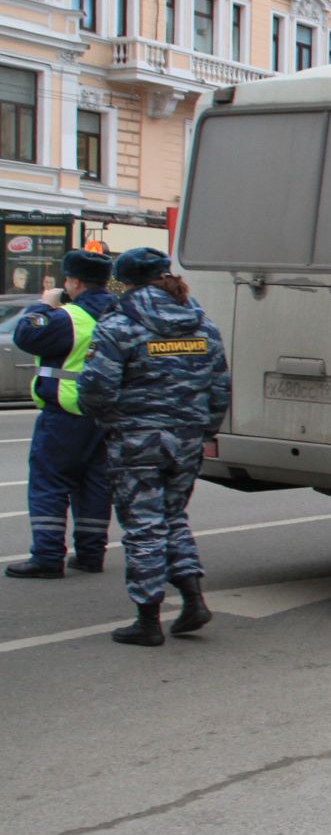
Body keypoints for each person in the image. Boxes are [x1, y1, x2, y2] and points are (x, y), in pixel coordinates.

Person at [78, 248, 231, 646]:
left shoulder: (119, 324)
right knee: (173, 515)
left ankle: (148, 620)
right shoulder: (201, 323)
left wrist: (108, 420)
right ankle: (193, 599)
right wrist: (201, 428)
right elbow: (220, 388)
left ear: (124, 281)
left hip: (137, 438)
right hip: (187, 438)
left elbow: (96, 387)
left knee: (143, 525)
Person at [7, 250, 118, 580]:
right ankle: (90, 553)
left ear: (75, 282)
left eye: (67, 279)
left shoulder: (68, 317)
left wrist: (43, 303)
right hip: (105, 418)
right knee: (96, 485)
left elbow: (26, 333)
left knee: (49, 484)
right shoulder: (117, 313)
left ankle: (48, 555)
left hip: (65, 416)